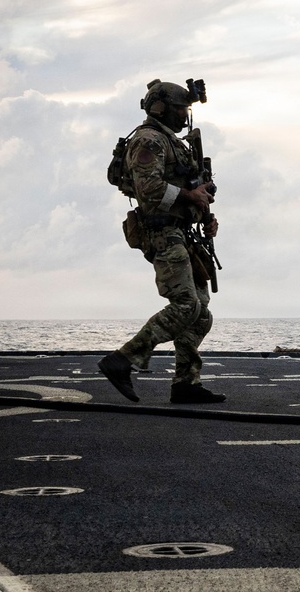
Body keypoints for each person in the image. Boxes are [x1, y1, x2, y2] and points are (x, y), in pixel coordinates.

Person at [98, 78, 224, 404]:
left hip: (182, 233)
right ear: (161, 108)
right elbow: (149, 189)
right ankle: (123, 359)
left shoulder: (173, 143)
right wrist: (189, 195)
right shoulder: (150, 140)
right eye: (181, 109)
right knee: (186, 305)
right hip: (162, 233)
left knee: (200, 315)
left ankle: (186, 383)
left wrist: (205, 216)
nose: (185, 116)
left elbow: (189, 189)